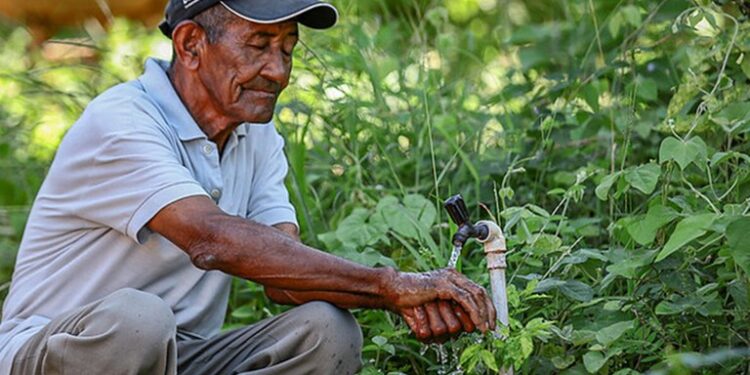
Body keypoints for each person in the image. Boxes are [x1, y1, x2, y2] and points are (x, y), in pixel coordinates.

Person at [0, 0, 496, 373]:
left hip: (181, 354)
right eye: (258, 45)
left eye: (287, 49)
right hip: (56, 352)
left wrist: (412, 296)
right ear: (191, 44)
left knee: (327, 330)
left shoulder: (255, 134)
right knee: (140, 319)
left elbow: (283, 275)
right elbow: (210, 240)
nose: (278, 72)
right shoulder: (123, 121)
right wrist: (391, 286)